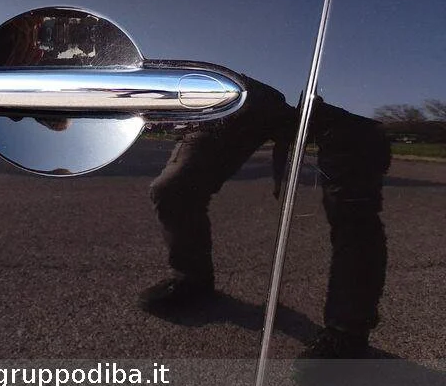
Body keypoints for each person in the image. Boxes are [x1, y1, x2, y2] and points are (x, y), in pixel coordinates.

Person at [140, 75, 391, 359]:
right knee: (174, 188)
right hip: (241, 87)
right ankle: (192, 277)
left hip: (334, 81)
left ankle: (347, 330)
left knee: (354, 212)